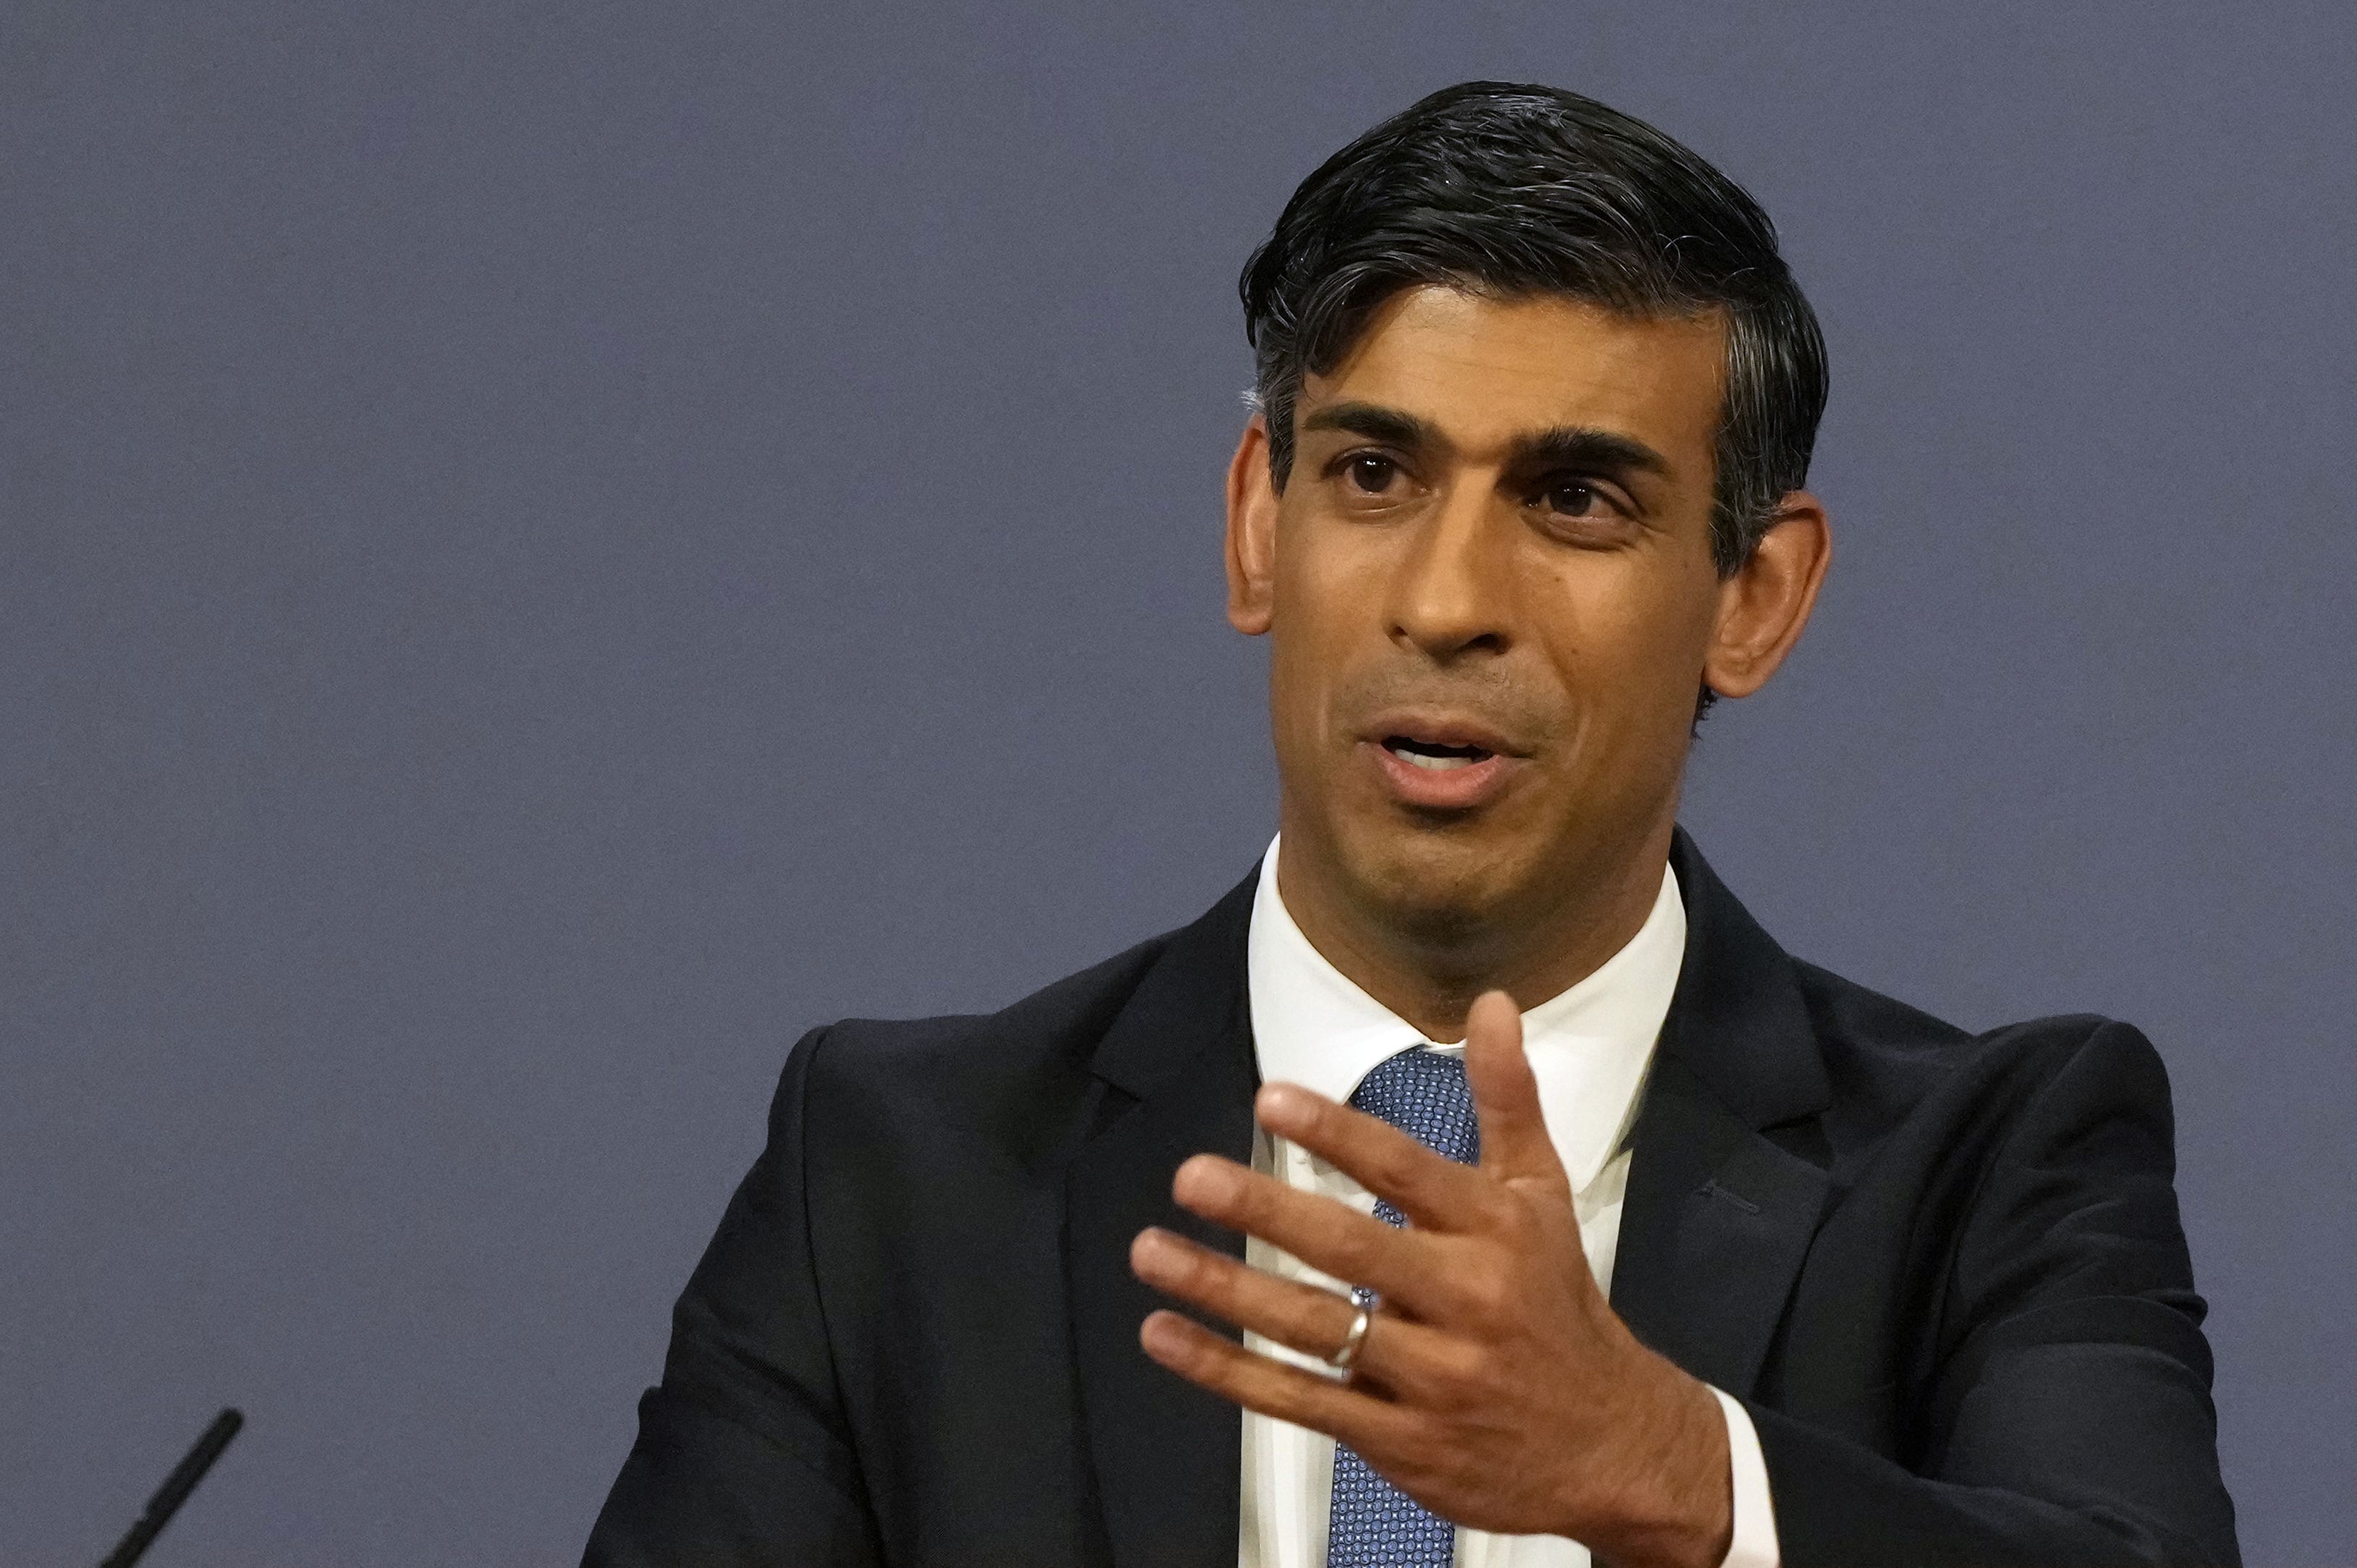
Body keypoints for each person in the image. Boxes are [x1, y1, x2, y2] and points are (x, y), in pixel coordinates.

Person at [581, 82, 2238, 1568]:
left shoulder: (1995, 1164)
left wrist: (1672, 1472)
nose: (1447, 602)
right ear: (1256, 527)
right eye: (1374, 475)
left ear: (1754, 594)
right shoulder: (893, 1174)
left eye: (1576, 499)